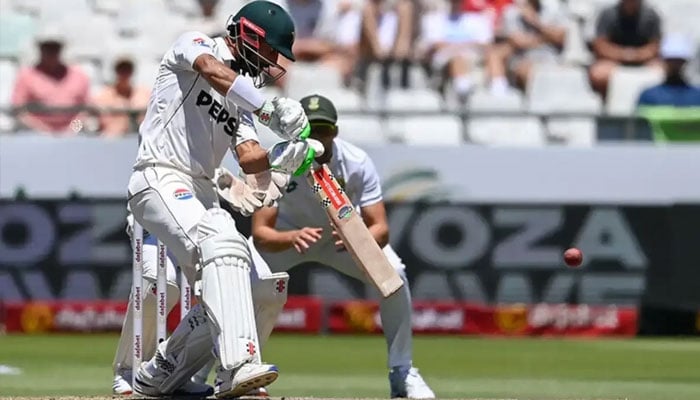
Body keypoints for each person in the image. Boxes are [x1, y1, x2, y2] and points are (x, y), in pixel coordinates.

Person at [121, 1, 324, 398]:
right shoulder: (195, 43)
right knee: (223, 238)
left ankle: (160, 375)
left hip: (200, 191)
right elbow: (211, 71)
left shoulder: (241, 102)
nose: (272, 63)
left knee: (260, 284)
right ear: (249, 35)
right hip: (159, 174)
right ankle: (237, 367)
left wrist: (286, 157)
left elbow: (250, 160)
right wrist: (268, 109)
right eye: (271, 51)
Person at [247, 94, 436, 399]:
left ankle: (402, 372)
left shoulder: (356, 162)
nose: (317, 139)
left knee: (396, 276)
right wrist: (291, 238)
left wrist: (357, 238)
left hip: (343, 242)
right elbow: (261, 233)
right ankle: (231, 372)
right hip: (288, 240)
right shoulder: (277, 163)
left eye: (322, 131)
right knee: (237, 277)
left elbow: (381, 228)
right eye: (308, 131)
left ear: (334, 132)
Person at [11, 26, 90, 134]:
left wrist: (72, 130)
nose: (51, 52)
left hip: (72, 136)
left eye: (55, 48)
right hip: (35, 135)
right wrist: (42, 131)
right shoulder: (26, 76)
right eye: (47, 47)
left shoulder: (79, 76)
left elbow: (86, 111)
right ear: (40, 49)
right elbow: (19, 111)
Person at [487, 0, 566, 93]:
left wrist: (535, 21)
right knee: (526, 70)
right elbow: (518, 41)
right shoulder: (512, 12)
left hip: (551, 58)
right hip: (523, 58)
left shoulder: (554, 8)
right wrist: (545, 38)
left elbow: (561, 37)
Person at [589, 0, 662, 96]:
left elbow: (655, 46)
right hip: (613, 60)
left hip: (643, 60)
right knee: (599, 75)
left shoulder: (651, 15)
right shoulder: (608, 14)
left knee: (661, 74)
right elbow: (600, 45)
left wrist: (636, 55)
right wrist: (623, 55)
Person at [93, 57, 151, 136]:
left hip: (139, 139)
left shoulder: (144, 94)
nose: (124, 74)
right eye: (121, 70)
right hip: (111, 140)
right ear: (116, 72)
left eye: (127, 70)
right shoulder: (104, 96)